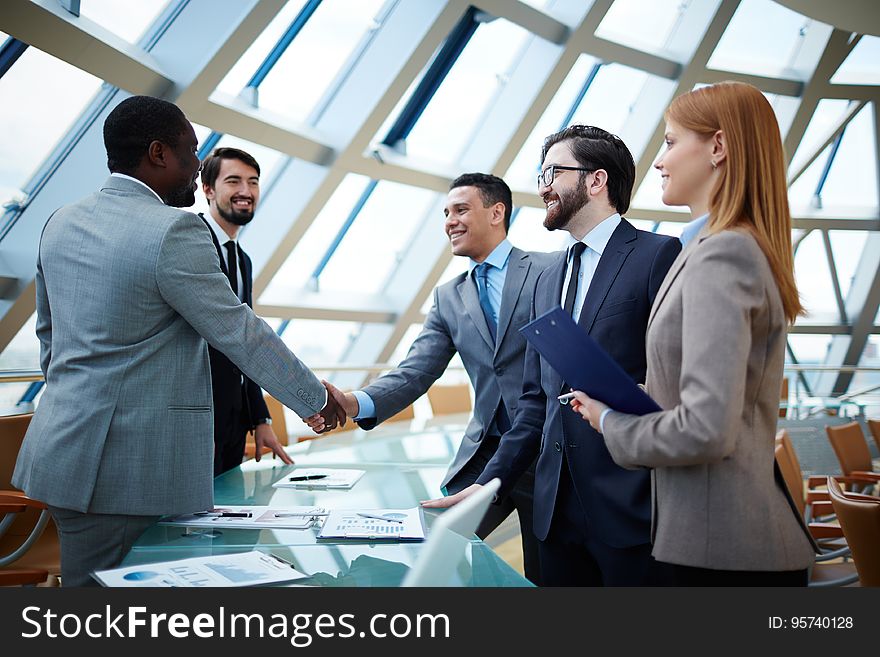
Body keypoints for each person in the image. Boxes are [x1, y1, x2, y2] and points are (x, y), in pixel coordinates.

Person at [12, 95, 345, 586]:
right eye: (191, 151)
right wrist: (314, 399)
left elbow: (50, 336)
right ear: (158, 153)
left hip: (61, 454)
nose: (196, 166)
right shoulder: (174, 230)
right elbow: (238, 330)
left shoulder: (60, 222)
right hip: (134, 471)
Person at [568, 81, 816, 585]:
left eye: (671, 141)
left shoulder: (724, 253)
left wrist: (611, 421)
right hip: (718, 541)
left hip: (722, 552)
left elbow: (706, 429)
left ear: (718, 148)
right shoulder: (721, 248)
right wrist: (631, 397)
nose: (659, 161)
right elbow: (701, 400)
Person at [425, 126, 681, 586]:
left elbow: (674, 380)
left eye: (552, 172)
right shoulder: (548, 277)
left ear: (596, 181)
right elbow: (534, 401)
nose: (542, 186)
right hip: (555, 514)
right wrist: (487, 486)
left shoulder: (657, 255)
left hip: (629, 506)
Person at [312, 173, 555, 585]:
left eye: (461, 209)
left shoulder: (550, 269)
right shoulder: (448, 296)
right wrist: (354, 402)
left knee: (546, 572)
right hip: (485, 455)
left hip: (548, 449)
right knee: (443, 555)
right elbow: (416, 371)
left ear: (497, 212)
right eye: (446, 213)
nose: (449, 221)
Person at [198, 147, 290, 476]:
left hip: (232, 420)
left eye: (253, 182)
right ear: (208, 189)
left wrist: (259, 418)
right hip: (196, 419)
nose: (245, 192)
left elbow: (245, 343)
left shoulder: (242, 258)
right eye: (233, 181)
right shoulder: (190, 242)